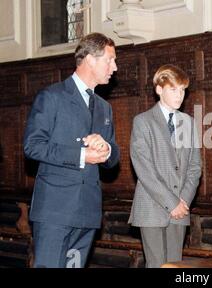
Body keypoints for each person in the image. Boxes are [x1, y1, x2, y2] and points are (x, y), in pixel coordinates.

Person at [23, 33, 120, 268]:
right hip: (55, 211)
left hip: (87, 211)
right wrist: (81, 155)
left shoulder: (104, 108)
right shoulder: (52, 96)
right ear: (89, 59)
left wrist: (105, 149)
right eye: (110, 60)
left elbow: (113, 156)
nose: (114, 67)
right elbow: (33, 146)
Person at [128, 64, 202, 268]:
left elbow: (195, 167)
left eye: (182, 90)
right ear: (159, 89)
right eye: (173, 89)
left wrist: (184, 201)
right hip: (152, 207)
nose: (179, 95)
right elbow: (144, 170)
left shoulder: (188, 122)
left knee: (175, 266)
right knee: (156, 265)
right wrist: (172, 203)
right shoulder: (143, 122)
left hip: (180, 209)